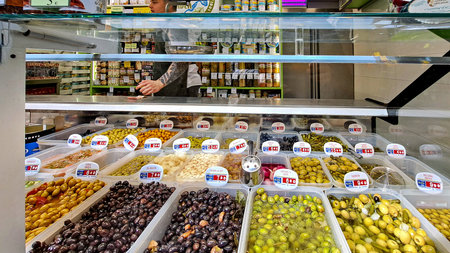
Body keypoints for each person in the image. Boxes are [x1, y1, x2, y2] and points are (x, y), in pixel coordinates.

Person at [136, 0, 189, 96]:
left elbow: (182, 61)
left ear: (170, 5)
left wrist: (160, 83)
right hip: (167, 85)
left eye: (155, 2)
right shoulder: (165, 24)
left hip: (178, 86)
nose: (150, 6)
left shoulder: (176, 25)